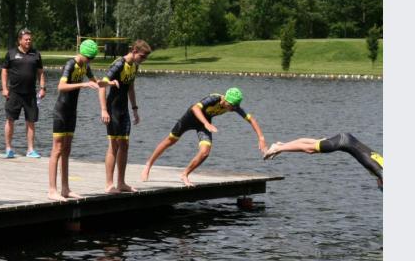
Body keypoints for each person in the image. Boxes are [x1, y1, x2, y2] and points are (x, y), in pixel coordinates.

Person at [140, 87, 267, 186]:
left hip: (204, 124)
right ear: (225, 99)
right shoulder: (215, 98)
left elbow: (252, 120)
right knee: (170, 141)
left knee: (205, 152)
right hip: (189, 119)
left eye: (235, 106)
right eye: (231, 105)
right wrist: (206, 123)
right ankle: (148, 165)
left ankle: (185, 174)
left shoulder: (234, 107)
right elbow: (195, 108)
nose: (233, 109)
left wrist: (261, 138)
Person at [48, 39, 116, 201]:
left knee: (67, 149)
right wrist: (82, 85)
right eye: (89, 58)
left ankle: (65, 188)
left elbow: (96, 83)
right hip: (61, 111)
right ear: (83, 54)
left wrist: (109, 83)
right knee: (57, 149)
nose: (90, 61)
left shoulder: (85, 66)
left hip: (72, 112)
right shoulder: (70, 64)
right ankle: (52, 190)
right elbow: (61, 87)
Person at [98, 40, 151, 193]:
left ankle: (121, 183)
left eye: (145, 58)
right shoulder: (119, 64)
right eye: (142, 56)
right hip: (112, 108)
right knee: (113, 145)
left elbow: (130, 88)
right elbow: (101, 85)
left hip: (124, 109)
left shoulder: (135, 66)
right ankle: (109, 184)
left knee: (125, 145)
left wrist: (135, 109)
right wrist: (103, 110)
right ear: (134, 51)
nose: (143, 60)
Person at [263, 133, 384, 190]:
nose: (378, 186)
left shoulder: (381, 166)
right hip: (341, 143)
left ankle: (281, 145)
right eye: (380, 187)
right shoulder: (380, 172)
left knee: (312, 144)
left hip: (346, 139)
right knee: (309, 149)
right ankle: (278, 148)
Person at [2, 28, 45, 158]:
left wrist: (42, 88)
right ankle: (8, 148)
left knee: (31, 121)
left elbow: (40, 72)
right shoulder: (11, 54)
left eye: (30, 39)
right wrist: (4, 88)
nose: (28, 41)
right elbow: (4, 71)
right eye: (26, 39)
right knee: (10, 119)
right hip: (14, 92)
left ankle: (30, 150)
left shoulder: (36, 54)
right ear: (19, 40)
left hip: (30, 93)